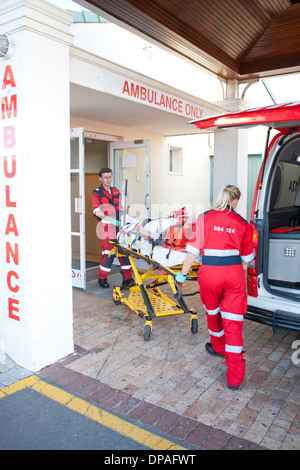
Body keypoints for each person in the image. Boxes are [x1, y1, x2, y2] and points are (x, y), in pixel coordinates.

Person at [176, 185, 254, 390]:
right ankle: (235, 377)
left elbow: (192, 253)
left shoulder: (203, 218)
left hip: (209, 274)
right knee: (234, 323)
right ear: (235, 200)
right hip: (234, 276)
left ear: (220, 197)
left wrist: (182, 275)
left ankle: (218, 346)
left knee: (212, 311)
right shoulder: (243, 223)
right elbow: (247, 259)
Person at [92, 168, 133, 288]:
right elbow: (97, 211)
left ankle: (127, 278)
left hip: (119, 226)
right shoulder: (97, 193)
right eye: (105, 177)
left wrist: (126, 211)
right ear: (100, 178)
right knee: (108, 253)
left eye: (109, 177)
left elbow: (122, 206)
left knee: (124, 251)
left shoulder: (116, 191)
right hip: (106, 228)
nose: (108, 179)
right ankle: (102, 278)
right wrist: (111, 220)